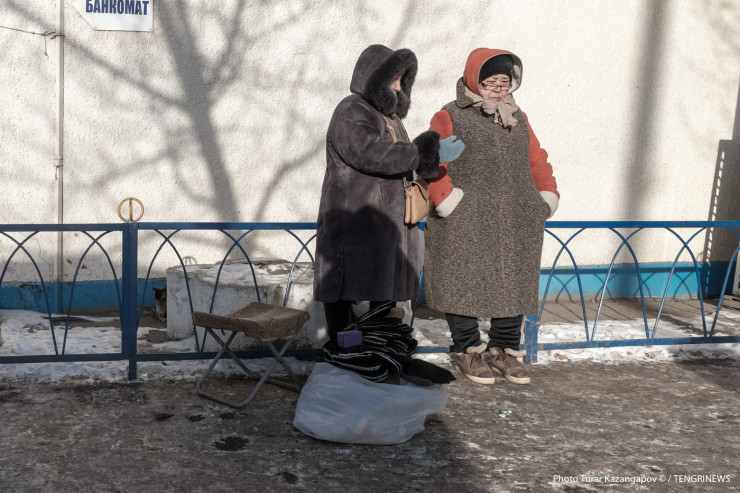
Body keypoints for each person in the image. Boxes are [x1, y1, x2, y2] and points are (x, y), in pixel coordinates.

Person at [424, 48, 559, 385]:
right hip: (465, 216)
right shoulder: (450, 115)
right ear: (475, 80)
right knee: (461, 281)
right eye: (491, 82)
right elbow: (433, 160)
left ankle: (504, 351)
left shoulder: (519, 117)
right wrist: (446, 200)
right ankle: (468, 351)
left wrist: (546, 197)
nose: (498, 89)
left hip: (516, 215)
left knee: (514, 281)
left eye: (504, 82)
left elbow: (537, 160)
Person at [314, 44, 465, 341]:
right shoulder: (352, 109)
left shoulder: (390, 117)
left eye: (402, 80)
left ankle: (377, 349)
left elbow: (396, 157)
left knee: (382, 295)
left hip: (382, 224)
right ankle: (344, 353)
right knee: (345, 293)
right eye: (394, 79)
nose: (398, 86)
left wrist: (427, 153)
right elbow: (370, 153)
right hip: (355, 221)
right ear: (374, 78)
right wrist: (424, 152)